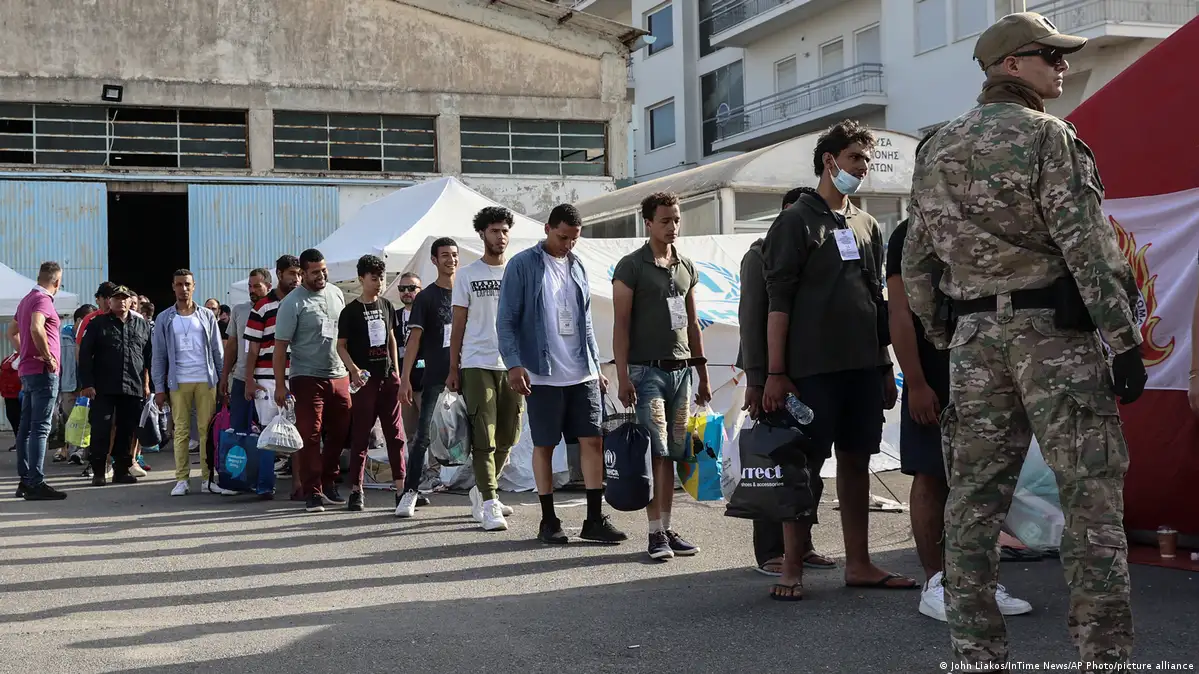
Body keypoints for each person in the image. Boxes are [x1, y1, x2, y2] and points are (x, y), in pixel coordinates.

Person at [902, 12, 1146, 668]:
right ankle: (1104, 657)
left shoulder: (935, 147)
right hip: (1053, 338)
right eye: (1050, 55)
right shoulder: (1047, 136)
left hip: (973, 341)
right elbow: (1087, 246)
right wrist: (1123, 341)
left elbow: (916, 263)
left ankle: (977, 655)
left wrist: (947, 333)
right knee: (1090, 498)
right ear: (1011, 64)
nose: (1062, 66)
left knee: (973, 504)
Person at [760, 119, 908, 601]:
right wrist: (774, 373)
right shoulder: (796, 221)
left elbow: (876, 299)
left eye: (866, 160)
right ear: (830, 161)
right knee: (802, 466)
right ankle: (791, 567)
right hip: (810, 370)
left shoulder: (867, 225)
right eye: (855, 159)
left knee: (857, 461)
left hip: (862, 367)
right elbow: (776, 302)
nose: (863, 168)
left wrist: (884, 365)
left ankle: (859, 563)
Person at [887, 215, 1032, 622]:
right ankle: (936, 582)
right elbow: (899, 312)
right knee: (930, 471)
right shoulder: (910, 231)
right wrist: (916, 382)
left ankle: (977, 580)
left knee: (984, 477)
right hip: (932, 372)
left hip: (985, 367)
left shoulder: (983, 221)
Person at [497, 204, 627, 545]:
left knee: (593, 440)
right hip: (541, 373)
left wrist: (595, 367)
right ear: (547, 229)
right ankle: (549, 520)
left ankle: (594, 519)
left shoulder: (577, 265)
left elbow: (585, 321)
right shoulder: (522, 265)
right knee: (545, 444)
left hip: (581, 372)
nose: (567, 244)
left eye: (574, 239)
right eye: (562, 237)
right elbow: (506, 320)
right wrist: (513, 364)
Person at [736, 188, 838, 576]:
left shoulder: (818, 252)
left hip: (813, 377)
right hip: (775, 379)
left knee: (811, 467)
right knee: (775, 465)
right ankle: (770, 551)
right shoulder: (759, 255)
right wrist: (757, 379)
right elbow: (751, 319)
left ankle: (803, 545)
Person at [612, 192, 710, 560]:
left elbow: (693, 323)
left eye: (677, 220)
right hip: (646, 371)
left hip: (681, 372)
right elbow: (620, 326)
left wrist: (702, 373)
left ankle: (667, 529)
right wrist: (623, 376)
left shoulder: (686, 266)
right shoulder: (630, 266)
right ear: (649, 223)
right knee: (655, 452)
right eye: (665, 220)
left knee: (673, 455)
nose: (673, 226)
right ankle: (654, 533)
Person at [447, 207, 522, 531]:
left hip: (512, 364)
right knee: (484, 434)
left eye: (504, 230)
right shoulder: (467, 274)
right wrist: (454, 368)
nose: (500, 237)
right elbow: (458, 324)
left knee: (509, 435)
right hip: (476, 362)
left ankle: (481, 489)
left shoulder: (518, 271)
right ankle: (490, 502)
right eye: (494, 230)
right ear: (482, 234)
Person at [274, 248, 351, 514]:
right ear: (303, 273)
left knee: (341, 431)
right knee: (310, 434)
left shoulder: (336, 293)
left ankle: (329, 482)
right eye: (315, 272)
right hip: (306, 377)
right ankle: (313, 491)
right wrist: (280, 385)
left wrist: (353, 369)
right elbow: (280, 348)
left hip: (339, 374)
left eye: (324, 270)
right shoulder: (292, 303)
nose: (321, 275)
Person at [336, 254, 406, 512]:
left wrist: (396, 371)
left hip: (388, 378)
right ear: (361, 279)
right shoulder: (350, 311)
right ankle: (357, 490)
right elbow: (340, 346)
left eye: (381, 278)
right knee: (361, 435)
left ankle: (401, 489)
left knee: (395, 435)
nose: (378, 283)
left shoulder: (387, 305)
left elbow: (391, 338)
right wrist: (353, 370)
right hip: (365, 381)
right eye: (374, 278)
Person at [152, 269, 230, 497]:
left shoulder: (206, 315)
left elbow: (217, 350)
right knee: (181, 431)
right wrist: (159, 388)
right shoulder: (164, 318)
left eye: (187, 284)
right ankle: (182, 479)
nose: (183, 289)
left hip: (205, 379)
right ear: (173, 287)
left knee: (207, 430)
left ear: (194, 286)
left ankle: (207, 479)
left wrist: (223, 380)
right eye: (179, 284)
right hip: (179, 381)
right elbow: (159, 356)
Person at [397, 238, 458, 518]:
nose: (451, 260)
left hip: (468, 374)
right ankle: (410, 492)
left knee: (479, 435)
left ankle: (484, 495)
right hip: (434, 377)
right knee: (422, 436)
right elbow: (413, 341)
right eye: (445, 255)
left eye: (454, 255)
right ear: (434, 260)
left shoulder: (465, 291)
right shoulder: (426, 297)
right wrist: (405, 379)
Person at [78, 286, 153, 486]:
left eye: (124, 298)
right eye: (116, 298)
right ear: (109, 302)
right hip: (103, 387)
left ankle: (121, 470)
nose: (121, 301)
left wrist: (148, 384)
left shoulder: (142, 325)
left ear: (130, 301)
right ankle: (99, 471)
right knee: (101, 429)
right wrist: (87, 384)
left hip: (132, 386)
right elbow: (85, 355)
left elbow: (149, 357)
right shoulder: (97, 324)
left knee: (127, 430)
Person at [7, 262, 67, 500]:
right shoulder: (43, 300)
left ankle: (25, 480)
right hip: (43, 371)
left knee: (26, 428)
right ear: (57, 282)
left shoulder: (26, 300)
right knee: (40, 428)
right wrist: (48, 356)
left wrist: (25, 353)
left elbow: (11, 332)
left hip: (28, 371)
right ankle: (36, 482)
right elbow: (36, 327)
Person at [245, 255, 301, 497]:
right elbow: (253, 349)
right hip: (267, 379)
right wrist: (249, 380)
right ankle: (265, 485)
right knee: (268, 433)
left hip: (298, 376)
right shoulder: (262, 306)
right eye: (292, 274)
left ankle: (299, 485)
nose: (297, 279)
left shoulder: (304, 302)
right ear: (279, 275)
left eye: (299, 274)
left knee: (299, 431)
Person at [220, 268, 271, 433]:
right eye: (250, 286)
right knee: (239, 431)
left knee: (268, 432)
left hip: (267, 380)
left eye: (257, 286)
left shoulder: (277, 309)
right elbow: (232, 346)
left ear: (269, 286)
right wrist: (224, 376)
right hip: (241, 378)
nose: (252, 290)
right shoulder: (239, 310)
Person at [394, 271, 427, 480]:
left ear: (420, 290)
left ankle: (434, 472)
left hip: (426, 381)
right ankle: (416, 472)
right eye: (402, 288)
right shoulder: (394, 317)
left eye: (411, 288)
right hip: (404, 384)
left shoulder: (427, 314)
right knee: (411, 432)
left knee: (429, 431)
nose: (406, 292)